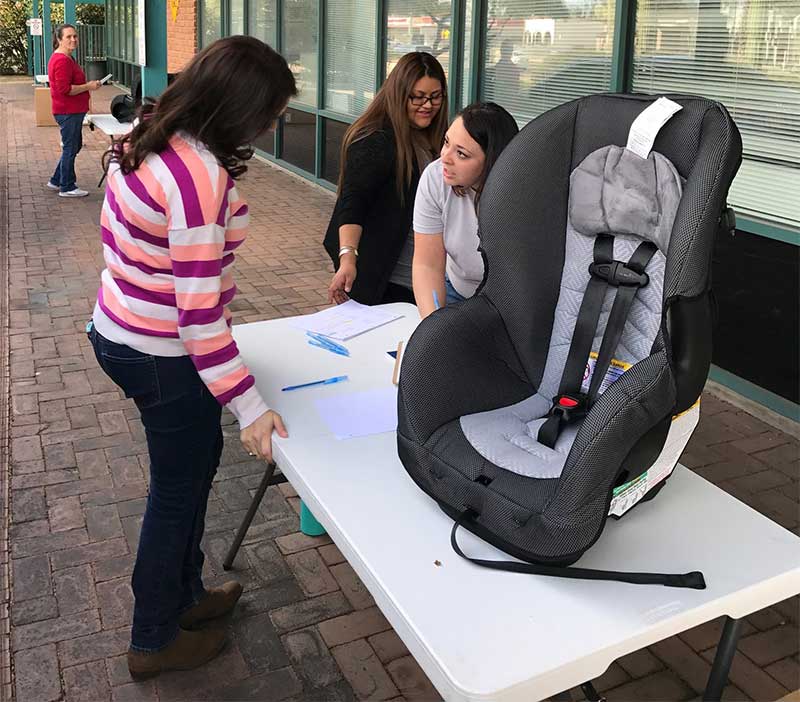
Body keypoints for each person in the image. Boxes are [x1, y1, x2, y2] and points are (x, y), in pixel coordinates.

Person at [86, 36, 296, 679]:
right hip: (161, 351)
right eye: (270, 112)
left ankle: (187, 597)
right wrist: (251, 407)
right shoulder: (198, 178)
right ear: (237, 109)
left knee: (195, 466)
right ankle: (152, 640)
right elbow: (199, 316)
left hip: (119, 328)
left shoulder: (152, 133)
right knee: (176, 492)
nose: (274, 123)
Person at [324, 52, 448, 306]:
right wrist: (347, 258)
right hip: (387, 279)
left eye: (435, 97)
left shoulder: (437, 138)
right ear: (398, 93)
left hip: (429, 275)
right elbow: (353, 203)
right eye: (418, 97)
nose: (427, 105)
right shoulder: (375, 139)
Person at [412, 102, 519, 318]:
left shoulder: (522, 196)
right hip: (457, 289)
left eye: (461, 154)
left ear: (492, 162)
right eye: (446, 142)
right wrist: (431, 325)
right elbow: (427, 264)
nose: (445, 158)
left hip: (512, 302)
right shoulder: (436, 178)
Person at [47, 23, 101, 197]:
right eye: (69, 36)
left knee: (74, 145)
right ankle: (67, 186)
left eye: (75, 36)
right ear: (59, 39)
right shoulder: (62, 60)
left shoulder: (66, 58)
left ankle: (56, 180)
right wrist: (89, 86)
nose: (73, 39)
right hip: (67, 112)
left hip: (71, 111)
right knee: (71, 147)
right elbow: (65, 90)